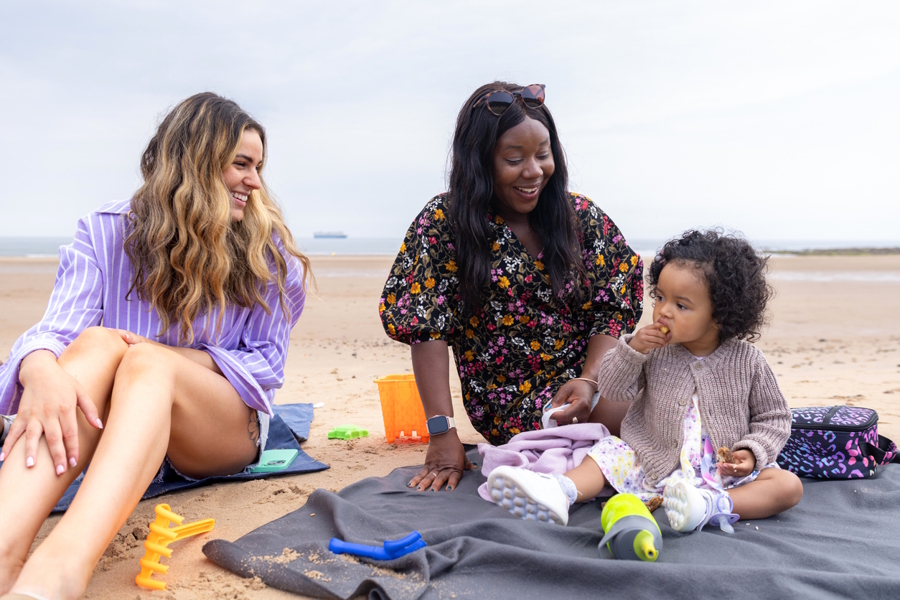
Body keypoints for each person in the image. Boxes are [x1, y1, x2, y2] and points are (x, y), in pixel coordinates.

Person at [0, 92, 311, 600]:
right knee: (95, 344)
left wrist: (160, 355)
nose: (255, 182)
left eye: (258, 167)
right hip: (110, 418)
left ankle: (58, 569)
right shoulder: (105, 232)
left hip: (217, 428)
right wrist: (37, 366)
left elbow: (267, 365)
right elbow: (56, 331)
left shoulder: (266, 252)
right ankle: (3, 550)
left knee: (144, 360)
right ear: (195, 160)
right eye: (241, 164)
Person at [379, 82, 643, 493]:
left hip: (594, 380)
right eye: (514, 159)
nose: (534, 171)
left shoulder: (580, 217)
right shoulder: (445, 222)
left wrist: (590, 380)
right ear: (480, 161)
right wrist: (442, 433)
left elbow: (611, 308)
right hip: (511, 400)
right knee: (650, 417)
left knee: (677, 384)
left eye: (543, 154)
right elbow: (425, 328)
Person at [486, 230, 804, 530]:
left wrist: (752, 452)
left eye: (681, 305)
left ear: (720, 315)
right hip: (650, 464)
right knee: (607, 451)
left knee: (787, 486)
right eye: (660, 298)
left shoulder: (747, 360)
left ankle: (708, 506)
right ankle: (560, 490)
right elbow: (612, 388)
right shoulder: (652, 351)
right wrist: (632, 350)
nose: (663, 311)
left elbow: (774, 418)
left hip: (720, 474)